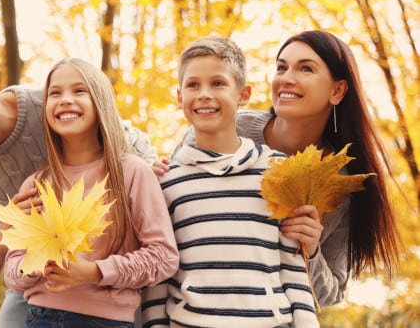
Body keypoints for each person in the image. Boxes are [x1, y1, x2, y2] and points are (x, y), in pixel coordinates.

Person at [0, 26, 162, 327]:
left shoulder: (55, 104)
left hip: (116, 262)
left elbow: (134, 145)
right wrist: (4, 238)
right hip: (37, 278)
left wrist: (147, 172)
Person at [169, 30, 401, 308]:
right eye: (281, 67)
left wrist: (311, 250)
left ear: (337, 91)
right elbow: (169, 220)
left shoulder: (340, 184)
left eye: (305, 68)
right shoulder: (228, 125)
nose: (286, 78)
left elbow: (329, 295)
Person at [141, 35, 319, 328]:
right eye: (193, 85)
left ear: (243, 95)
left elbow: (293, 265)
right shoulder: (166, 183)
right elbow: (159, 277)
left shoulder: (279, 172)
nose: (204, 94)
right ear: (179, 97)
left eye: (218, 83)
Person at [3, 57, 179, 327]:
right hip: (41, 319)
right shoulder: (35, 185)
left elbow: (164, 256)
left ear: (100, 101)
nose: (65, 99)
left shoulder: (132, 173)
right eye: (55, 93)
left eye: (79, 90)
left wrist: (96, 272)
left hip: (106, 321)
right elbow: (12, 273)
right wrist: (37, 264)